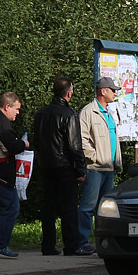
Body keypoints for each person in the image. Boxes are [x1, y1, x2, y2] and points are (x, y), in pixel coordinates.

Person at [33, 77, 91, 256]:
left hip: (46, 165)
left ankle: (48, 245)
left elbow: (37, 141)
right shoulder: (69, 114)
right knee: (68, 206)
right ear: (69, 93)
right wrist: (80, 170)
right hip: (64, 166)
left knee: (49, 206)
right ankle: (72, 245)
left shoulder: (41, 114)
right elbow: (74, 145)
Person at [78, 77, 121, 245]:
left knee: (105, 209)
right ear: (103, 91)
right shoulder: (88, 111)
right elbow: (82, 139)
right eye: (113, 90)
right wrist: (94, 157)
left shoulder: (109, 112)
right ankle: (82, 242)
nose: (115, 93)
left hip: (108, 168)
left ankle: (103, 240)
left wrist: (115, 161)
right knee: (88, 206)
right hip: (95, 168)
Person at [0, 92, 28, 259]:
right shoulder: (2, 124)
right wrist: (24, 143)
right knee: (12, 207)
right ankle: (0, 246)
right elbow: (13, 146)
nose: (18, 112)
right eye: (16, 109)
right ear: (7, 106)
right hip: (0, 175)